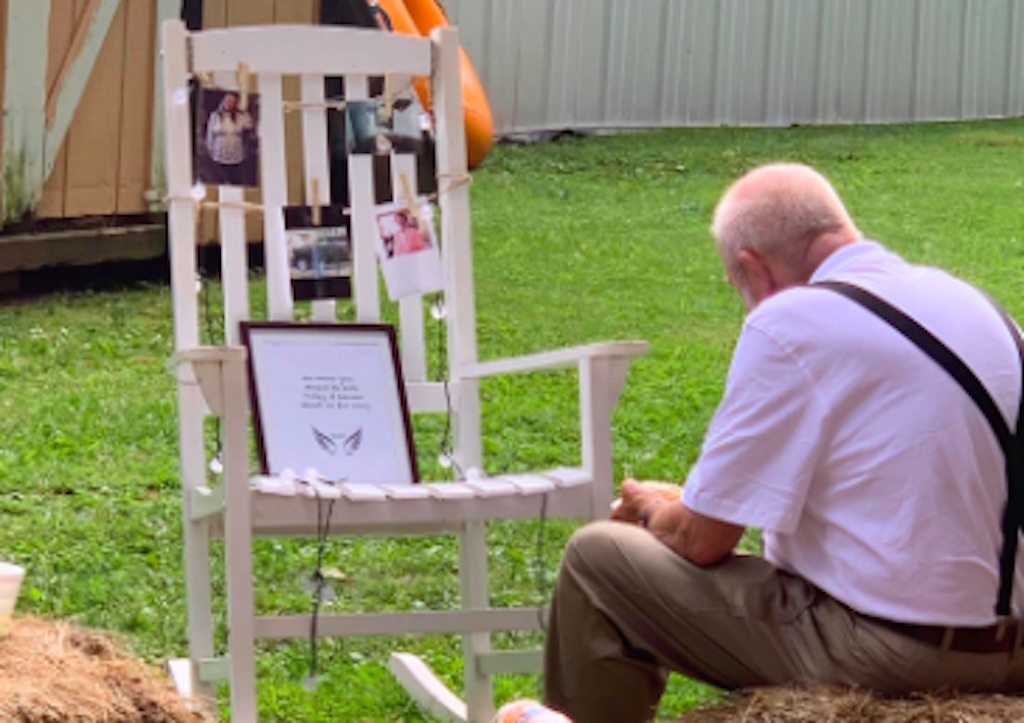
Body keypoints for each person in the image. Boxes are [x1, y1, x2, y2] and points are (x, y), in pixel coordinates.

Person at [542, 162, 1024, 723]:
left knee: (597, 561)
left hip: (901, 655)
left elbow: (703, 542)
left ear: (755, 270)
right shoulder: (974, 304)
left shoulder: (792, 321)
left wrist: (658, 511)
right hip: (1012, 648)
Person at [205, 91, 255, 186]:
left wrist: (244, 112)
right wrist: (209, 148)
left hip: (235, 152)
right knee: (221, 178)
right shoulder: (215, 116)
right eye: (228, 101)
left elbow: (250, 125)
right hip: (219, 151)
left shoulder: (240, 116)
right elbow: (210, 134)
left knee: (235, 178)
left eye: (232, 101)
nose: (229, 103)